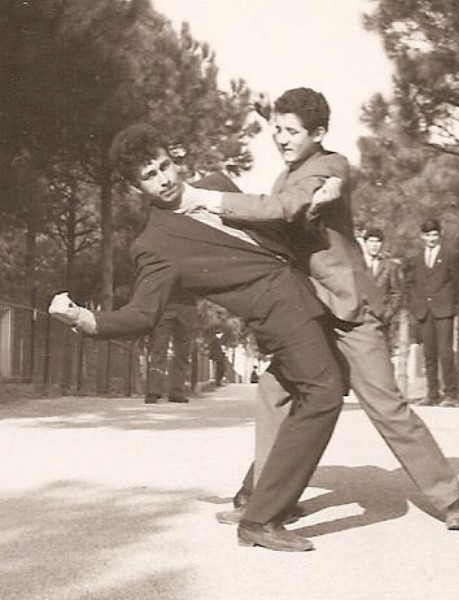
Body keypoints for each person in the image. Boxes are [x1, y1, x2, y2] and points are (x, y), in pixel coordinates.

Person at [185, 87, 459, 532]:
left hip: (349, 309)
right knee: (275, 393)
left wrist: (205, 199)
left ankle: (450, 497)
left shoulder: (331, 165)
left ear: (318, 133)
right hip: (309, 310)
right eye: (276, 130)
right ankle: (267, 501)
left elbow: (289, 205)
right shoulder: (288, 174)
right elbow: (279, 219)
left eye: (291, 131)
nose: (281, 139)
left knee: (385, 405)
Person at [49, 122, 347, 553]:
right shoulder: (156, 244)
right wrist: (81, 318)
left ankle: (252, 496)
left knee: (306, 389)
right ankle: (261, 519)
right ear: (138, 187)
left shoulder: (218, 186)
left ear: (174, 158)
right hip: (278, 315)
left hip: (305, 294)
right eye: (150, 176)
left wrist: (318, 205)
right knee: (324, 392)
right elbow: (141, 316)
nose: (164, 179)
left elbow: (279, 234)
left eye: (164, 166)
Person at [407, 219, 459, 408]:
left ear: (439, 235)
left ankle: (452, 394)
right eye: (428, 235)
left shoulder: (450, 255)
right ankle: (432, 394)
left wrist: (449, 301)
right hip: (424, 311)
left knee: (445, 352)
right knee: (429, 353)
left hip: (444, 310)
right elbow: (411, 283)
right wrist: (416, 304)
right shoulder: (417, 258)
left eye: (434, 234)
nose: (431, 238)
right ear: (422, 237)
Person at [145, 290, 197, 404]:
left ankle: (176, 391)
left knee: (182, 351)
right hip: (167, 304)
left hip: (186, 305)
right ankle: (154, 390)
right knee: (159, 347)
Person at [363, 227, 403, 332]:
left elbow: (396, 292)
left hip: (381, 320)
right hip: (361, 319)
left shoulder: (389, 266)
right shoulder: (358, 264)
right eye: (371, 241)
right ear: (365, 243)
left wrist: (388, 313)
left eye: (378, 242)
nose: (374, 245)